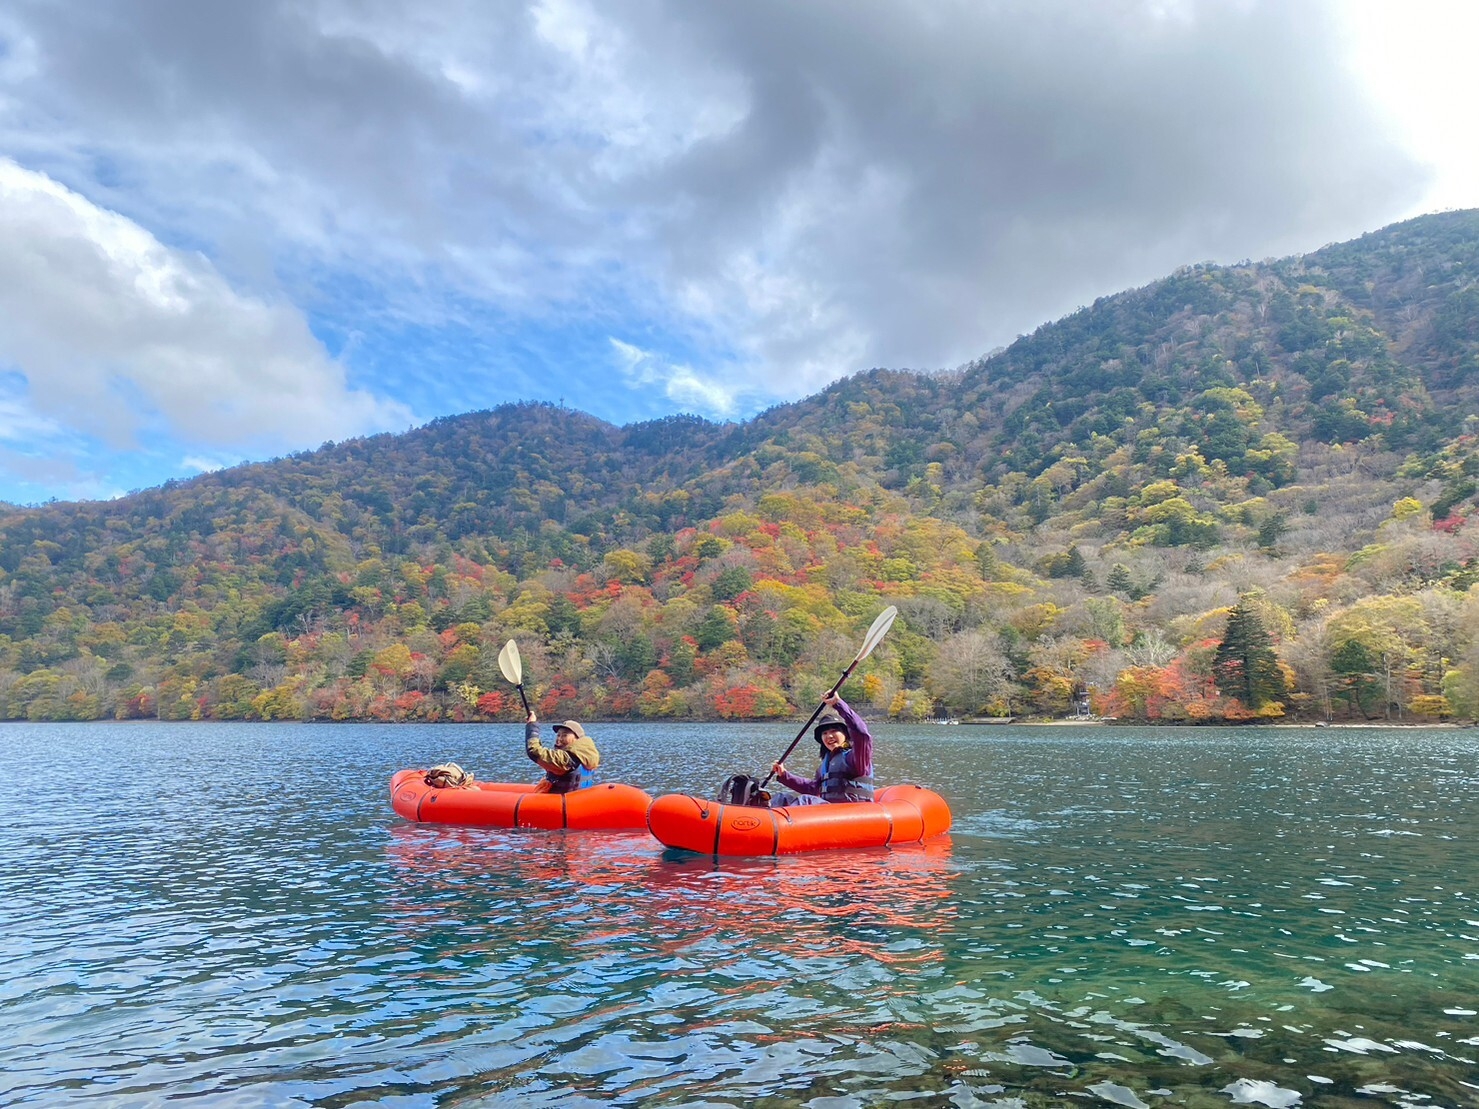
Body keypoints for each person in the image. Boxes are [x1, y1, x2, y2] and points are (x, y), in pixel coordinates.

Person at [769, 691, 875, 805]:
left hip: (853, 812)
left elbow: (862, 734)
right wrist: (784, 775)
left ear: (845, 735)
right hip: (829, 812)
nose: (829, 736)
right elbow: (813, 789)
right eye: (825, 733)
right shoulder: (826, 763)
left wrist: (838, 704)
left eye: (834, 731)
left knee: (806, 801)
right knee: (781, 798)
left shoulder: (855, 757)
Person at [525, 710, 600, 793]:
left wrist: (532, 725)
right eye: (558, 735)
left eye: (564, 735)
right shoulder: (586, 755)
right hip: (579, 799)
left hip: (562, 803)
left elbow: (534, 751)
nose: (559, 739)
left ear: (577, 738)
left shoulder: (567, 759)